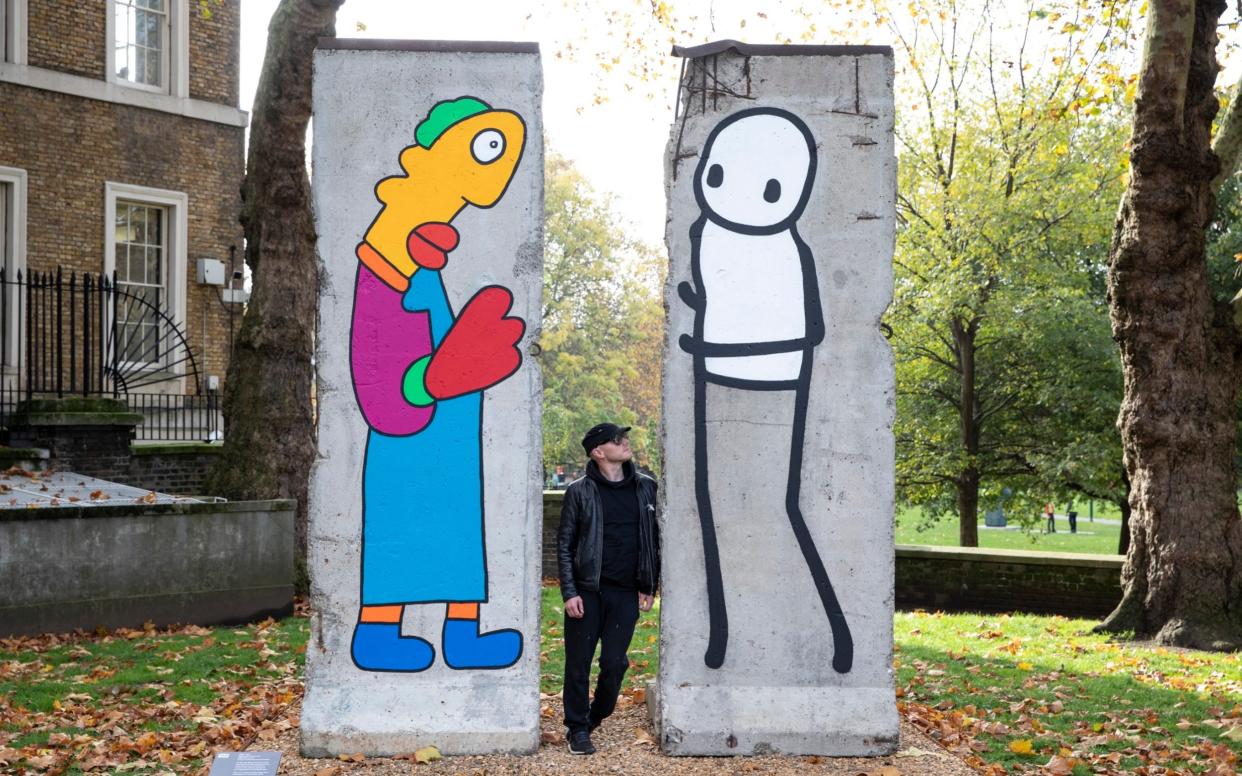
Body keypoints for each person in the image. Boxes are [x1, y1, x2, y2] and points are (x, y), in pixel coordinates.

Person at [556, 422, 660, 756]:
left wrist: (648, 584)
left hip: (626, 591)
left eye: (624, 437)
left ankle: (597, 714)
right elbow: (565, 544)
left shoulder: (646, 488)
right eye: (618, 439)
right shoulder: (579, 491)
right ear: (599, 451)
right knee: (578, 662)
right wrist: (569, 591)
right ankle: (577, 728)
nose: (625, 442)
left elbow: (653, 541)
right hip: (587, 591)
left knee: (615, 663)